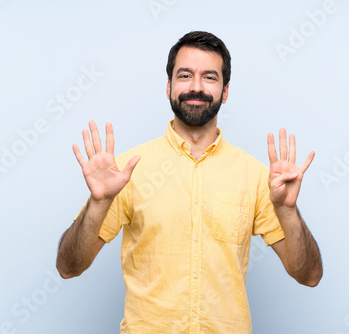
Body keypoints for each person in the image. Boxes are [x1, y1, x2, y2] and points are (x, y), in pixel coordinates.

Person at [56, 31, 323, 333]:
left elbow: (309, 275)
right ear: (169, 86)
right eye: (185, 75)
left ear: (225, 91)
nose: (196, 87)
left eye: (210, 77)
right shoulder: (126, 172)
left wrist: (287, 211)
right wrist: (99, 203)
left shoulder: (256, 176)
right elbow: (69, 267)